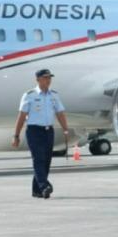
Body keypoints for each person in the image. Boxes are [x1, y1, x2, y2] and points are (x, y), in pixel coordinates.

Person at [12, 69, 70, 199]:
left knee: (46, 161)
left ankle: (37, 190)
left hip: (49, 131)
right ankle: (44, 186)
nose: (48, 80)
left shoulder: (54, 95)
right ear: (38, 79)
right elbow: (22, 116)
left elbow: (60, 113)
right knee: (39, 159)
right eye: (45, 78)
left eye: (50, 78)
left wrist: (66, 130)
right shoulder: (29, 95)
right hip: (34, 131)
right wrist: (16, 135)